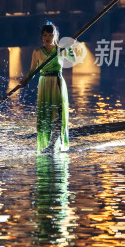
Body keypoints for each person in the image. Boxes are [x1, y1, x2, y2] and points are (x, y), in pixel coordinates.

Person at [24, 22, 75, 153]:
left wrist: (69, 47)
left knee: (56, 114)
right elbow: (32, 70)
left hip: (57, 83)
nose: (47, 37)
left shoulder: (60, 50)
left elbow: (73, 59)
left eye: (50, 35)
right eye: (45, 35)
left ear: (55, 36)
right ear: (41, 37)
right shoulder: (37, 52)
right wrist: (26, 80)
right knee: (45, 114)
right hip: (44, 83)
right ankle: (47, 144)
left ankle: (53, 144)